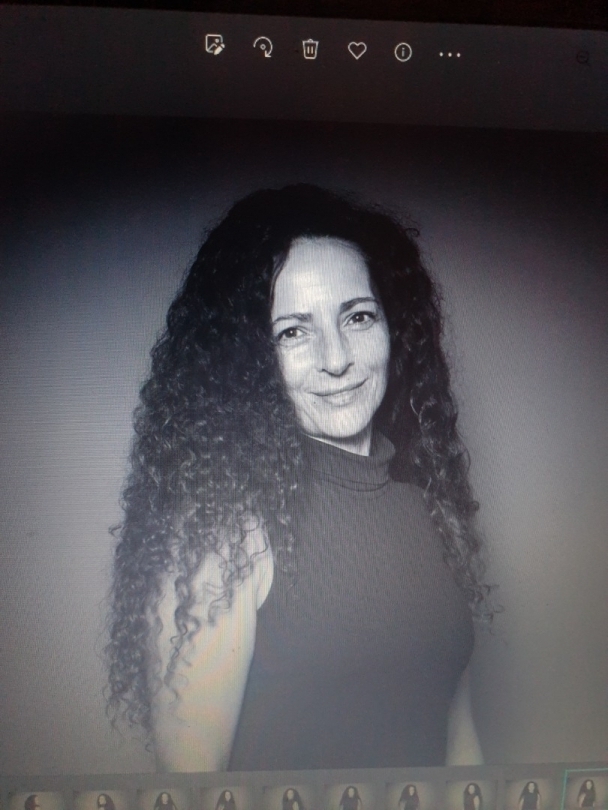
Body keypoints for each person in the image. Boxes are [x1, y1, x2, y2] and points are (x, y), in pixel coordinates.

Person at [106, 184, 490, 772]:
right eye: (293, 331)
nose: (336, 359)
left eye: (357, 316)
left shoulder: (432, 509)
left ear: (393, 327)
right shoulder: (226, 531)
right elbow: (191, 783)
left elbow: (457, 738)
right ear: (253, 357)